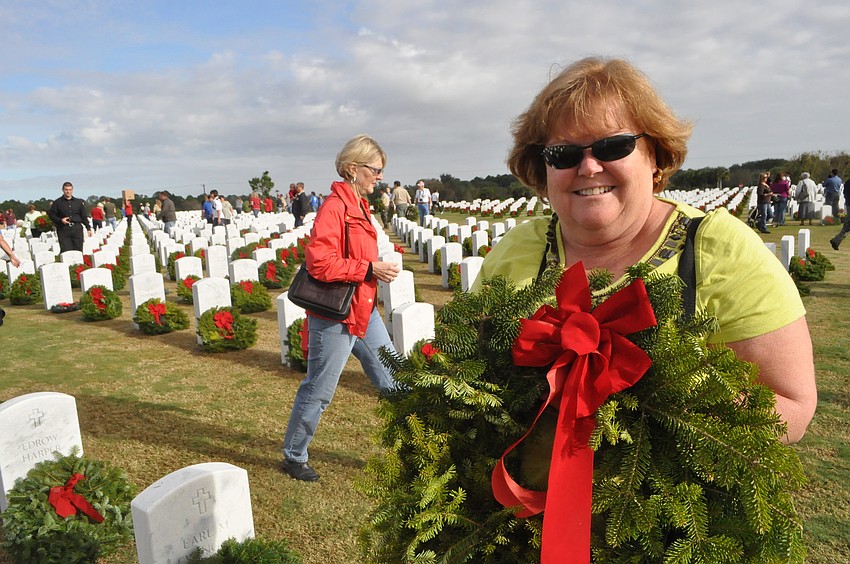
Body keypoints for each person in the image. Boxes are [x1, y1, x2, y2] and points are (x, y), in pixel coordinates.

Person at [476, 56, 816, 445]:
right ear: (543, 167)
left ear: (654, 154)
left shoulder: (719, 249)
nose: (588, 167)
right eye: (563, 154)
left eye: (613, 146)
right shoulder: (516, 250)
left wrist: (656, 397)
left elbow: (792, 406)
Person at [281, 134, 400, 482]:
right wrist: (368, 269)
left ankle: (417, 447)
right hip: (336, 315)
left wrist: (381, 260)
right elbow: (319, 262)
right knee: (319, 390)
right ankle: (294, 455)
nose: (379, 177)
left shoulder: (361, 206)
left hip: (364, 310)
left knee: (395, 379)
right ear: (352, 169)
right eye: (375, 170)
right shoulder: (334, 208)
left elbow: (364, 249)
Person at [47, 182, 93, 253]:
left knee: (78, 251)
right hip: (63, 229)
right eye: (66, 189)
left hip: (77, 229)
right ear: (62, 190)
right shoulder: (57, 202)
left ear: (72, 190)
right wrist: (60, 220)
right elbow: (52, 215)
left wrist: (88, 228)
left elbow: (83, 216)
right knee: (66, 251)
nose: (68, 191)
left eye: (70, 189)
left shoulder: (78, 202)